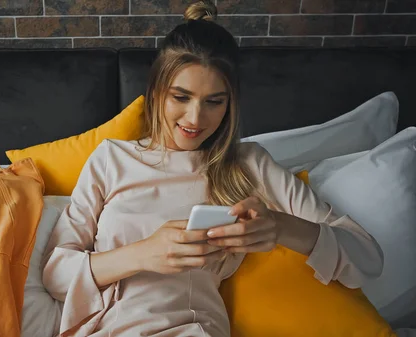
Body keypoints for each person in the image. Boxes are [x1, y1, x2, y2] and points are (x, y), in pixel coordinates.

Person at [41, 1, 384, 336]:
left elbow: (367, 258)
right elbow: (56, 277)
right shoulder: (111, 159)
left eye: (214, 102)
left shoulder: (247, 164)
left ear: (230, 102)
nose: (195, 119)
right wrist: (143, 254)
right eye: (181, 97)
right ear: (157, 91)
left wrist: (279, 226)